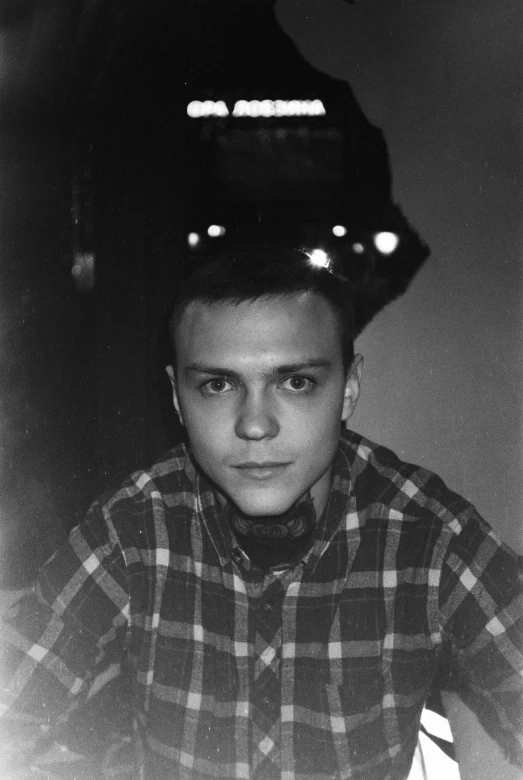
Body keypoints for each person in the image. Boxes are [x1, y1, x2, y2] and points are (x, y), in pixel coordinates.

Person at [1, 244, 522, 780]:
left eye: (295, 382)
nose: (255, 425)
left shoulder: (429, 533)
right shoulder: (132, 527)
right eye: (218, 384)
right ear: (178, 400)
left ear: (349, 389)